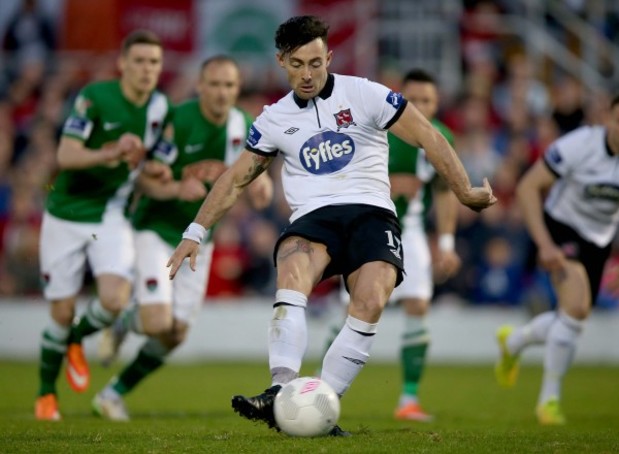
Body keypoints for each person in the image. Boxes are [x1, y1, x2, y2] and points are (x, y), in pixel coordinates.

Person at [166, 15, 496, 436]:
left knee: (373, 297)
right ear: (281, 62)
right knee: (292, 269)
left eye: (316, 63)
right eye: (298, 63)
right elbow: (234, 179)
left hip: (371, 213)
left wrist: (465, 190)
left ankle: (321, 403)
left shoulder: (367, 94)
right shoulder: (272, 118)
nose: (308, 74)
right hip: (312, 218)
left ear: (329, 57)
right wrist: (194, 233)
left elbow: (429, 137)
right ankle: (279, 390)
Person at [90, 55, 274, 421]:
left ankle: (111, 394)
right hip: (155, 231)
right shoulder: (177, 121)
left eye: (229, 85)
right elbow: (139, 176)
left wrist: (263, 183)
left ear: (236, 89)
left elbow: (252, 168)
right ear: (200, 86)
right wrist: (175, 187)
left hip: (200, 241)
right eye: (215, 84)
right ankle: (126, 320)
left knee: (175, 334)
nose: (222, 93)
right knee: (157, 322)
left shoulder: (242, 125)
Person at [35, 30, 172, 421]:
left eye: (154, 62)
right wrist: (110, 151)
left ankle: (75, 341)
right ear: (123, 64)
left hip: (111, 213)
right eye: (140, 61)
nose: (147, 69)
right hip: (66, 211)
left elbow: (139, 167)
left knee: (114, 299)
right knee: (60, 313)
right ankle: (46, 394)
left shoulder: (160, 108)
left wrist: (155, 174)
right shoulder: (95, 96)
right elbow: (66, 154)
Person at [494, 91, 619, 425]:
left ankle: (515, 341)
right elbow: (527, 187)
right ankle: (549, 401)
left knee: (572, 318)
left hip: (599, 242)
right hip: (560, 227)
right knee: (576, 308)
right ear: (609, 119)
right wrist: (545, 244)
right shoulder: (580, 144)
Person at [322, 69, 461, 422]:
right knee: (353, 310)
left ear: (437, 103)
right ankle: (322, 391)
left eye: (429, 100)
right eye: (415, 100)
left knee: (418, 304)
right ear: (400, 99)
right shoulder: (374, 128)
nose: (422, 107)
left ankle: (408, 399)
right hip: (365, 226)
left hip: (410, 230)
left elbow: (444, 192)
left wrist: (445, 242)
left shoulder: (440, 138)